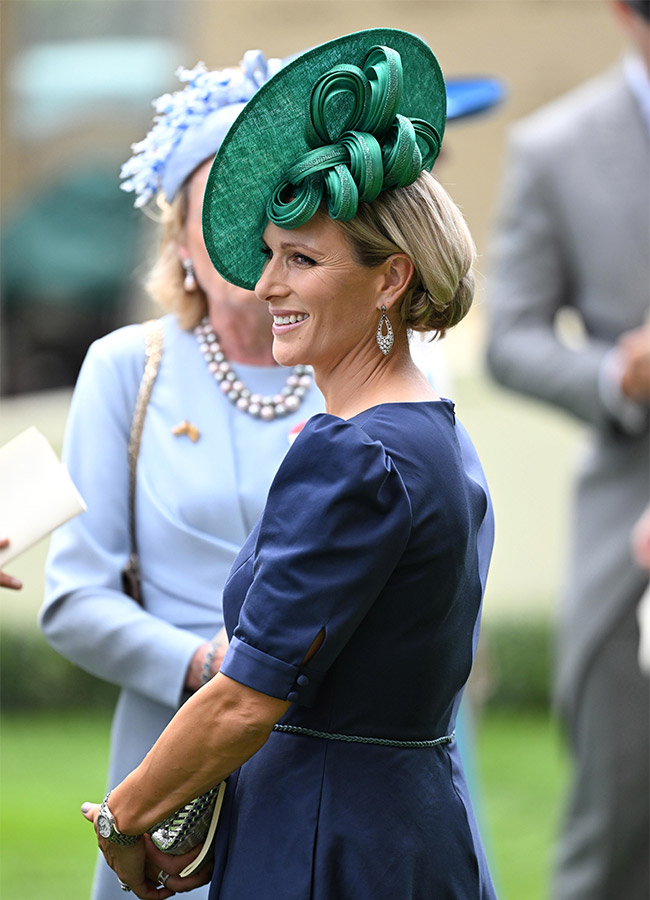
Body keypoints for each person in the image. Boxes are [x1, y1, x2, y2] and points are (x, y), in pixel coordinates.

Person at [79, 28, 497, 899]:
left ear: (391, 279)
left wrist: (127, 819)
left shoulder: (354, 454)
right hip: (410, 828)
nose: (267, 285)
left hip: (325, 842)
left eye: (300, 259)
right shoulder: (433, 428)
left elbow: (244, 700)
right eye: (270, 255)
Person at [40, 51, 322, 900]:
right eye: (221, 205)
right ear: (180, 238)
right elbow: (73, 597)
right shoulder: (129, 366)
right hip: (170, 763)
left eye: (272, 200)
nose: (253, 229)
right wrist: (210, 667)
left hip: (326, 754)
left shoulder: (364, 362)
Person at [485, 2, 650, 898]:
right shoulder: (558, 148)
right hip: (633, 513)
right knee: (619, 818)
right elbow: (511, 336)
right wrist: (616, 376)